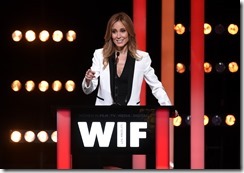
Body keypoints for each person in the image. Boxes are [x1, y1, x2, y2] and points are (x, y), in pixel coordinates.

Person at [81, 12, 172, 169]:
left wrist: (168, 107)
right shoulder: (99, 55)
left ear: (129, 32)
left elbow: (155, 85)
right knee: (108, 165)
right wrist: (88, 79)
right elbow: (88, 89)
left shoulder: (142, 58)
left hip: (129, 120)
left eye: (122, 30)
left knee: (119, 164)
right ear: (110, 34)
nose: (118, 36)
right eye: (114, 31)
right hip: (104, 120)